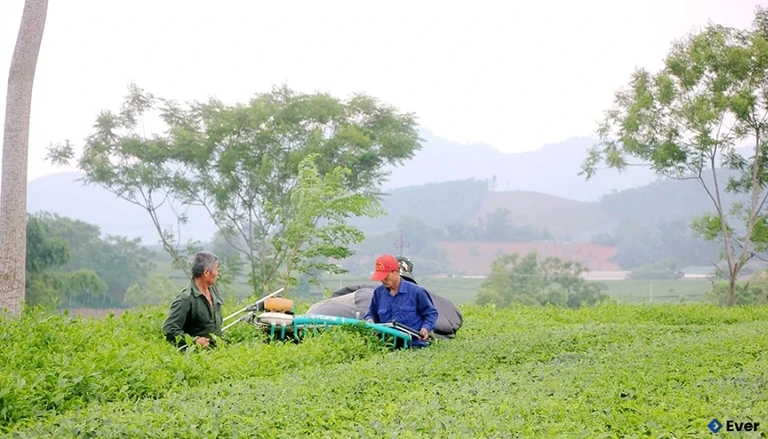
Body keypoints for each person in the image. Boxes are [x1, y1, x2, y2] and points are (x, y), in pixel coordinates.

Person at [365, 254, 439, 348]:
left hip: (413, 345)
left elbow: (431, 313)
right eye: (380, 277)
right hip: (386, 344)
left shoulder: (417, 291)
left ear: (396, 271)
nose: (383, 280)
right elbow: (372, 313)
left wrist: (425, 328)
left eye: (386, 276)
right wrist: (370, 320)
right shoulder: (378, 292)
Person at [162, 251, 224, 349]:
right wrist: (194, 341)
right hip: (197, 357)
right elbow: (169, 330)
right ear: (207, 273)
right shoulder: (185, 299)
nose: (217, 273)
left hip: (218, 352)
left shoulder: (212, 290)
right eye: (216, 269)